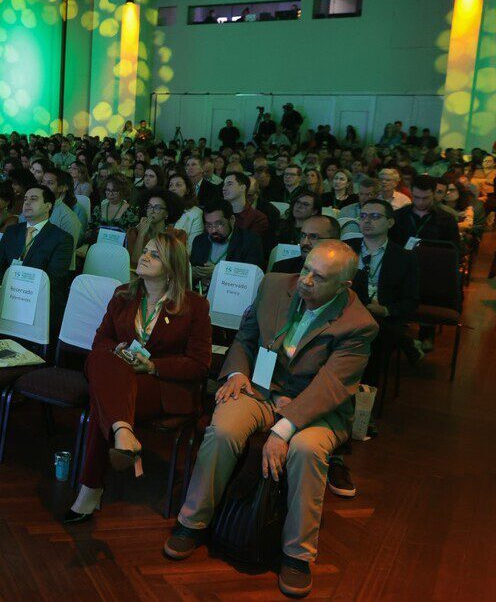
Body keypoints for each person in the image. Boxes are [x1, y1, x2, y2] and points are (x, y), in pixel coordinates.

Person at [166, 241, 377, 598]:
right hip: (263, 388)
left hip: (316, 407)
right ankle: (193, 522)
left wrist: (284, 427)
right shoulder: (275, 284)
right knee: (222, 431)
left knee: (307, 452)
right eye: (306, 269)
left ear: (344, 287)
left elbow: (331, 386)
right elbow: (246, 338)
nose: (305, 280)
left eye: (318, 277)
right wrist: (235, 373)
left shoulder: (359, 325)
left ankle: (297, 555)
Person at [64, 233, 211, 524]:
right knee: (101, 359)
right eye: (144, 251)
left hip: (161, 387)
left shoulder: (194, 306)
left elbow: (199, 363)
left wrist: (153, 365)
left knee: (102, 403)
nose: (143, 256)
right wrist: (117, 350)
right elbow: (100, 342)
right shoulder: (123, 295)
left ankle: (91, 489)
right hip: (118, 377)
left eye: (154, 255)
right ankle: (123, 433)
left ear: (172, 266)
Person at [349, 199, 421, 381]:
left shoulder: (404, 258)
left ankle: (364, 396)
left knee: (373, 335)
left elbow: (411, 300)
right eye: (363, 216)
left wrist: (386, 310)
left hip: (379, 316)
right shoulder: (346, 248)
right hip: (344, 309)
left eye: (375, 216)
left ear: (390, 222)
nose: (366, 221)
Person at [0, 185, 74, 329]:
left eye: (33, 199)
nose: (27, 203)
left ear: (48, 206)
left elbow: (55, 277)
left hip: (38, 298)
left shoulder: (62, 238)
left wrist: (18, 293)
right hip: (4, 293)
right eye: (25, 199)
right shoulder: (12, 231)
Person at [189, 199, 266, 289]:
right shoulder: (199, 241)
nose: (213, 230)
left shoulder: (249, 241)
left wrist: (218, 272)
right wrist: (193, 274)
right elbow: (193, 270)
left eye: (219, 224)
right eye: (209, 225)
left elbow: (252, 277)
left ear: (232, 220)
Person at [391, 176, 460, 250]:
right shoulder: (398, 216)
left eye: (426, 198)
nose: (420, 202)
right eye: (416, 197)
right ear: (411, 192)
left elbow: (453, 250)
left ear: (434, 194)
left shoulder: (447, 219)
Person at [128, 190, 187, 262]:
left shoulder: (178, 235)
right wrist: (141, 235)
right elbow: (135, 263)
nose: (152, 211)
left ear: (166, 213)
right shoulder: (134, 232)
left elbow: (174, 265)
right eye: (149, 206)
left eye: (157, 207)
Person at [221, 172, 269, 240]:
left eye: (229, 184)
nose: (224, 188)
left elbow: (249, 245)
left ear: (242, 187)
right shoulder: (220, 214)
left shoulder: (258, 218)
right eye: (224, 185)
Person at [167, 173, 204, 246]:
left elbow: (193, 247)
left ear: (187, 190)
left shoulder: (196, 213)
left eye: (178, 185)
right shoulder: (163, 209)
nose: (173, 188)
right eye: (170, 185)